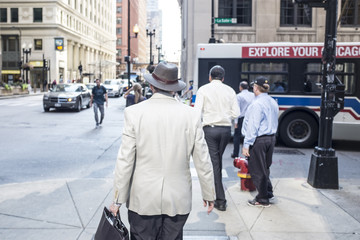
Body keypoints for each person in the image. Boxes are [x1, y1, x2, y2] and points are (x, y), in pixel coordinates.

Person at [110, 62, 215, 240]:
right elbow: (202, 159)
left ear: (152, 86)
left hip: (143, 199)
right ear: (174, 88)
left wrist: (117, 199)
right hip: (177, 199)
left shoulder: (134, 113)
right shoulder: (191, 115)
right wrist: (209, 193)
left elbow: (125, 160)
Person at [194, 65, 240, 211]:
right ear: (223, 77)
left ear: (209, 77)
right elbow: (236, 113)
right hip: (225, 130)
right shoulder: (230, 90)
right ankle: (218, 196)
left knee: (214, 163)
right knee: (217, 161)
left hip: (210, 129)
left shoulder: (203, 90)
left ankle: (220, 199)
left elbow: (196, 111)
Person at [241, 76, 279, 208]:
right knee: (265, 167)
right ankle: (268, 192)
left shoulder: (257, 104)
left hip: (259, 140)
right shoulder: (272, 102)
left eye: (253, 87)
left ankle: (262, 198)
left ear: (256, 88)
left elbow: (253, 126)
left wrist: (247, 144)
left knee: (257, 169)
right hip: (271, 138)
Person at [231, 81, 255, 158]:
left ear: (240, 87)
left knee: (237, 136)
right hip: (251, 118)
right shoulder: (253, 95)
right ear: (247, 87)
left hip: (241, 118)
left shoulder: (238, 96)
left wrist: (235, 122)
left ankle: (235, 153)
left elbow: (237, 110)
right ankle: (248, 153)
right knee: (249, 136)